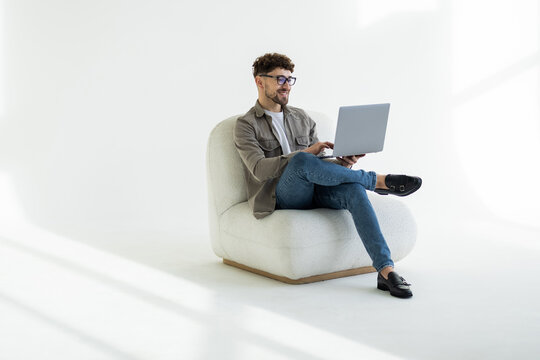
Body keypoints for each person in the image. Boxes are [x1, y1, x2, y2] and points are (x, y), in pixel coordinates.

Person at [234, 53, 421, 299]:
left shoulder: (302, 118)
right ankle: (376, 181)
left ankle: (385, 270)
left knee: (353, 189)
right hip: (281, 194)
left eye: (290, 79)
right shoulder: (246, 125)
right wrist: (304, 155)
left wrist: (342, 163)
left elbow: (317, 165)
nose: (287, 85)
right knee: (301, 158)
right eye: (280, 79)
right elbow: (258, 169)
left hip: (315, 187)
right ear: (260, 81)